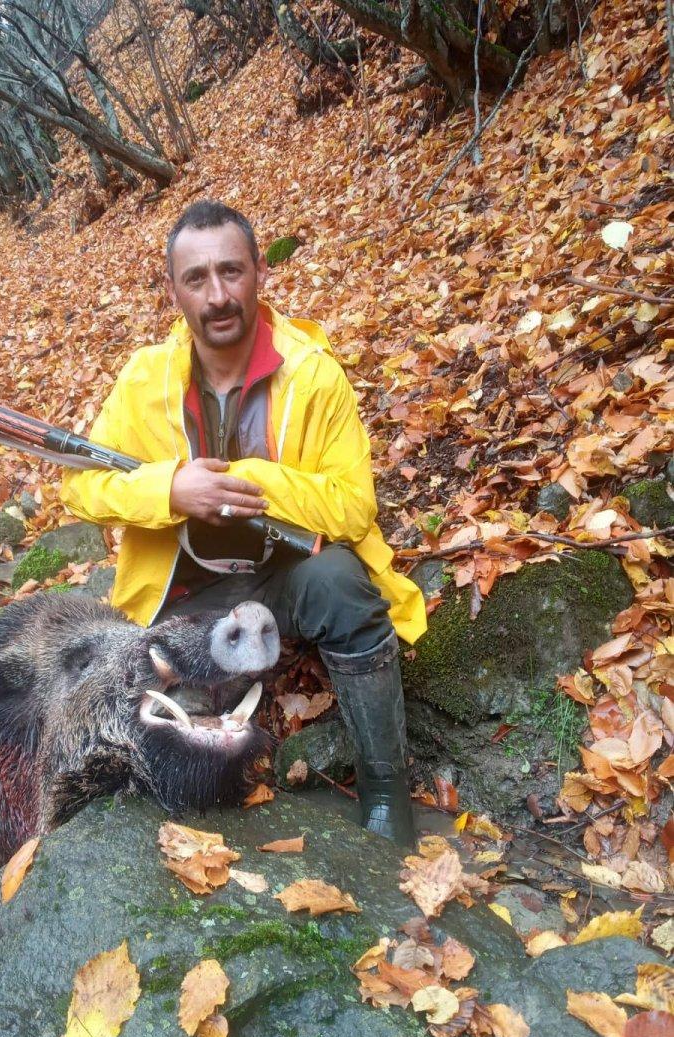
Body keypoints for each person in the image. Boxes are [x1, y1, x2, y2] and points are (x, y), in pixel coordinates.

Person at [59, 200, 426, 844]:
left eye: (231, 271)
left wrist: (256, 483)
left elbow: (354, 506)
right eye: (196, 278)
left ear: (260, 270)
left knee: (341, 583)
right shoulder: (143, 380)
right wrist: (171, 489)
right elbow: (79, 487)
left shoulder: (314, 375)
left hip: (283, 582)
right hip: (181, 594)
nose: (218, 295)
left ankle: (385, 789)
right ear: (173, 290)